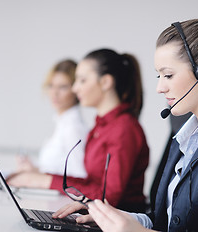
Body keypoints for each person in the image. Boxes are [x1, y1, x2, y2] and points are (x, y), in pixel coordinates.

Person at [52, 19, 198, 231]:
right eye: (158, 76)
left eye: (168, 75)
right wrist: (110, 216)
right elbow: (163, 220)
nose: (160, 87)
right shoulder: (186, 135)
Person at [8, 48, 149, 213]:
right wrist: (41, 178)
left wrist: (43, 181)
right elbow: (91, 183)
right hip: (102, 216)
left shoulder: (124, 129)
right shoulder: (100, 127)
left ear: (105, 82)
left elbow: (109, 197)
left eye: (82, 80)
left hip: (118, 221)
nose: (75, 89)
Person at [9, 59, 89, 186]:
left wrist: (37, 175)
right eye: (51, 85)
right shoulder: (62, 123)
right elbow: (59, 170)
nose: (54, 93)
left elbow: (79, 177)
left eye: (63, 87)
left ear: (76, 89)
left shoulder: (73, 127)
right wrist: (34, 170)